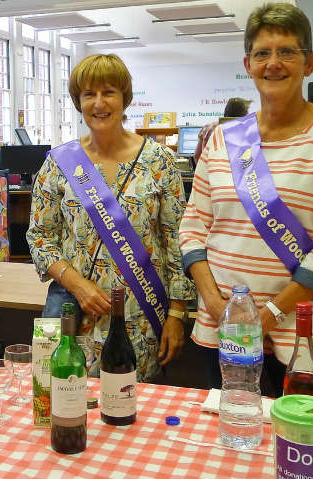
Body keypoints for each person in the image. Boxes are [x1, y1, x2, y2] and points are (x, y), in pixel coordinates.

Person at [179, 3, 313, 402]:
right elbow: (192, 228)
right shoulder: (224, 139)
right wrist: (215, 304)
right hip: (222, 329)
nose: (273, 64)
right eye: (262, 53)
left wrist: (267, 316)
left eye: (287, 52)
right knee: (230, 444)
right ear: (248, 63)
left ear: (310, 62)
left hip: (300, 332)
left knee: (301, 451)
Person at [27, 54, 194, 382]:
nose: (98, 103)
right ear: (78, 102)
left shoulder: (158, 161)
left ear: (125, 98)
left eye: (109, 92)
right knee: (63, 398)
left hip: (139, 315)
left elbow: (177, 241)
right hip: (73, 311)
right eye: (88, 94)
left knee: (129, 407)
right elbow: (40, 237)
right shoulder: (59, 162)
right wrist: (79, 285)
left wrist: (177, 312)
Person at [193, 97, 252, 163]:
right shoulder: (248, 130)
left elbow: (197, 156)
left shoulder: (207, 128)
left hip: (211, 171)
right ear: (244, 114)